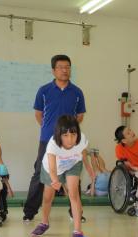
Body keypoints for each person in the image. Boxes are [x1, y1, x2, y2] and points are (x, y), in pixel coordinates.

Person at [24, 54, 86, 222]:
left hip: (70, 143)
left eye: (67, 67)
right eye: (61, 67)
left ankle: (76, 212)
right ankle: (29, 212)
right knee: (40, 173)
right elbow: (38, 114)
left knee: (73, 173)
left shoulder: (77, 92)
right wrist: (48, 130)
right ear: (53, 70)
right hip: (47, 139)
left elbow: (80, 115)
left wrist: (69, 132)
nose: (65, 70)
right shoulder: (43, 90)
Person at [30, 115, 95, 237]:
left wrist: (89, 169)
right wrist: (55, 181)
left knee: (74, 195)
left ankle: (77, 232)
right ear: (59, 135)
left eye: (73, 134)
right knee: (48, 197)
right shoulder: (53, 145)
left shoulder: (81, 139)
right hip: (52, 169)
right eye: (65, 135)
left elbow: (83, 153)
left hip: (73, 165)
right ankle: (44, 222)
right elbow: (53, 170)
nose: (70, 139)